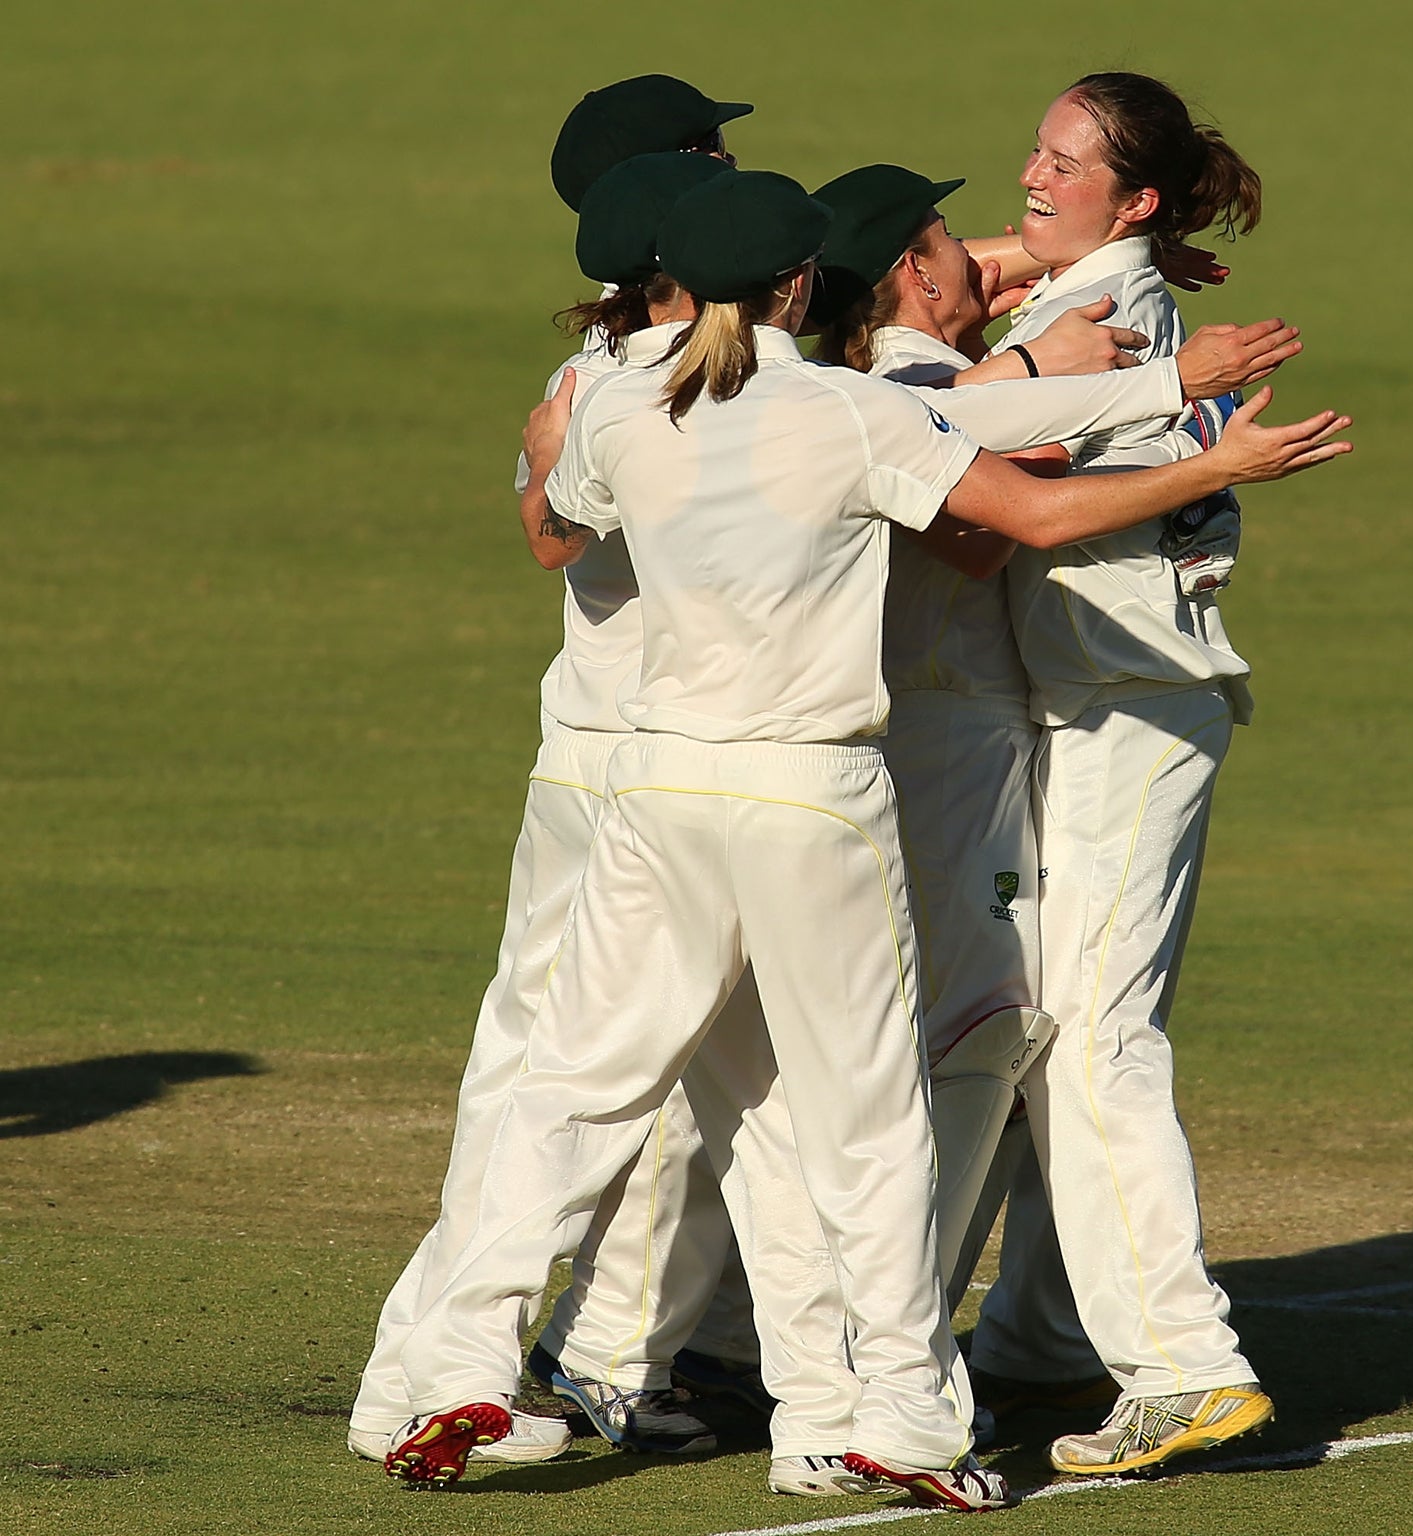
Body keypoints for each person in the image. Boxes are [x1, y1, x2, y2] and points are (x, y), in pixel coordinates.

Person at [384, 168, 1347, 1500]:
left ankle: (464, 1376)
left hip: (653, 800)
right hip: (804, 802)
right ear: (798, 290)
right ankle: (887, 1417)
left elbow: (557, 525)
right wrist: (1209, 438)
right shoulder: (846, 412)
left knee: (572, 1094)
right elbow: (1039, 502)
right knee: (868, 1123)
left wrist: (546, 450)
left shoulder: (609, 399)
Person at [344, 98, 742, 1466]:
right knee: (582, 1083)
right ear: (681, 179)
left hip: (589, 747)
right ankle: (475, 1365)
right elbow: (551, 537)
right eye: (717, 152)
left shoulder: (597, 354)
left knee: (527, 1070)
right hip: (650, 760)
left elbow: (543, 521)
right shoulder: (680, 361)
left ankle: (418, 1367)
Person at [969, 71, 1286, 1478]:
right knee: (1048, 1025)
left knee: (1097, 1035)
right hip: (1092, 706)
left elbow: (971, 441)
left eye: (1063, 162)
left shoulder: (1111, 322)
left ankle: (1183, 1369)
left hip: (1129, 710)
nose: (1032, 177)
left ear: (1135, 196)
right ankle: (1041, 1331)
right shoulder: (1093, 297)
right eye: (1031, 152)